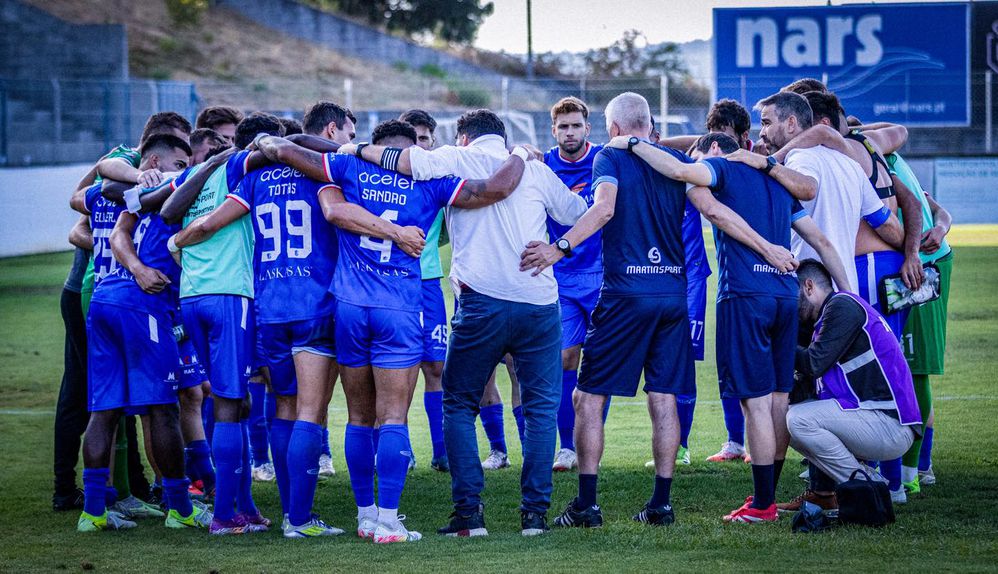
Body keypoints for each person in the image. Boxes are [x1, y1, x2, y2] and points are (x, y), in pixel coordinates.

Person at [521, 93, 758, 529]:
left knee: (587, 397)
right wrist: (767, 248)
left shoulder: (609, 157)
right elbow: (713, 209)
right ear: (649, 126)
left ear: (612, 129)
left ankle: (587, 505)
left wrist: (559, 247)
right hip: (672, 293)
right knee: (663, 398)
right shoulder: (675, 162)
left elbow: (604, 208)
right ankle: (660, 504)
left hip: (625, 294)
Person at [348, 108, 588, 537]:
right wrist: (559, 248)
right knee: (540, 408)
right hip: (537, 301)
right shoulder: (534, 169)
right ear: (501, 136)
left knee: (458, 404)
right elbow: (577, 211)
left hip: (480, 302)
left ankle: (470, 515)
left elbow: (404, 161)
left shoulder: (453, 159)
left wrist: (355, 148)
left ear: (463, 137)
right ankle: (534, 516)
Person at [612, 131, 848, 522]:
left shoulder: (720, 168)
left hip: (745, 297)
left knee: (755, 402)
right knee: (778, 399)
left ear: (713, 150)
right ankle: (766, 496)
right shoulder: (775, 180)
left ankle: (763, 505)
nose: (696, 164)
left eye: (698, 156)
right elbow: (820, 241)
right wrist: (849, 296)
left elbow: (685, 177)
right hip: (784, 297)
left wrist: (635, 144)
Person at [168, 106, 355, 538]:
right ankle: (299, 519)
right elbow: (345, 166)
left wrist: (178, 241)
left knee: (283, 406)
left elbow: (209, 224)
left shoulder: (252, 181)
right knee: (309, 411)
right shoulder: (319, 173)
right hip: (313, 303)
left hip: (268, 308)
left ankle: (284, 513)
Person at [76, 135, 212, 532]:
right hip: (143, 306)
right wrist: (141, 270)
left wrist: (134, 267)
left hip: (106, 298)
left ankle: (93, 513)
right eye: (180, 162)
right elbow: (105, 187)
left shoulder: (145, 195)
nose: (185, 168)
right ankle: (181, 509)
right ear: (156, 161)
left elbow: (117, 232)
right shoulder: (182, 191)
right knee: (162, 409)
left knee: (105, 410)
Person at [160, 113, 285, 535]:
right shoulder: (237, 166)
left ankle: (244, 505)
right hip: (229, 294)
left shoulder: (194, 177)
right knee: (231, 404)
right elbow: (270, 152)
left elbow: (168, 210)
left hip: (194, 295)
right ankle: (223, 516)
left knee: (238, 402)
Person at [784, 259, 921, 506]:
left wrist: (778, 339)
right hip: (873, 418)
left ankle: (869, 486)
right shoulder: (824, 319)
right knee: (785, 415)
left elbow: (814, 364)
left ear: (809, 286)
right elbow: (810, 385)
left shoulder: (842, 305)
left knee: (798, 420)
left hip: (890, 423)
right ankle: (825, 494)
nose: (789, 306)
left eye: (791, 296)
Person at [748, 91, 902, 293]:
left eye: (766, 123)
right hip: (845, 291)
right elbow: (885, 222)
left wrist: (767, 165)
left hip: (809, 293)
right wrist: (910, 250)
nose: (761, 132)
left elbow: (808, 188)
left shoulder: (798, 158)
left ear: (791, 123)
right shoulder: (850, 164)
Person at [543, 97, 604, 472]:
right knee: (565, 358)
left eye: (576, 125)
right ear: (553, 130)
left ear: (587, 128)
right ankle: (566, 447)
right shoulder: (542, 164)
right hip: (561, 277)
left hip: (601, 275)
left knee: (597, 363)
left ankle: (592, 441)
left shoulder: (603, 160)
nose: (570, 132)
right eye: (563, 126)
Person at [399, 109, 449, 472]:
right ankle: (401, 449)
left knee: (436, 367)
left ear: (432, 142)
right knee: (395, 370)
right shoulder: (385, 183)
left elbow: (445, 234)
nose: (419, 145)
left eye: (424, 138)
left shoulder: (441, 184)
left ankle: (442, 452)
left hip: (430, 284)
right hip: (394, 284)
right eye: (413, 139)